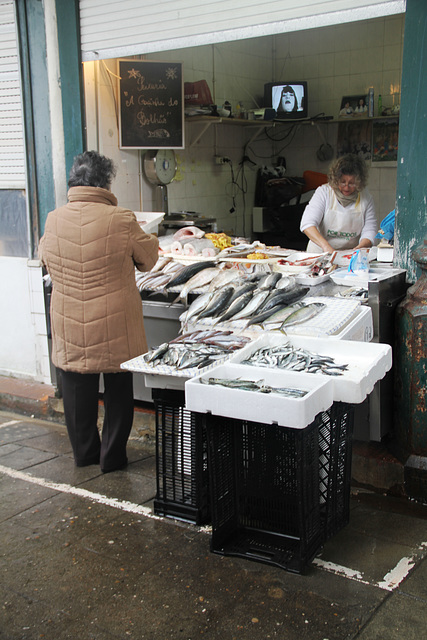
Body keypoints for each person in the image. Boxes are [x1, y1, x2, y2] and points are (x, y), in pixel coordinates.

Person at [39, 151, 159, 472]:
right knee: (119, 394)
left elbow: (45, 259)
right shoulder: (121, 218)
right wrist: (154, 237)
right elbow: (148, 259)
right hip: (116, 323)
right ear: (105, 181)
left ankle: (85, 455)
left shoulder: (53, 218)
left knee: (78, 395)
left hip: (70, 322)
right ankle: (112, 458)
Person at [300, 154, 377, 253]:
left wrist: (361, 247)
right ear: (335, 180)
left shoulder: (365, 197)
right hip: (320, 252)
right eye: (342, 182)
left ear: (359, 182)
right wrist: (325, 246)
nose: (346, 187)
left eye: (352, 183)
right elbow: (307, 224)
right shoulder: (324, 192)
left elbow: (370, 229)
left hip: (349, 254)